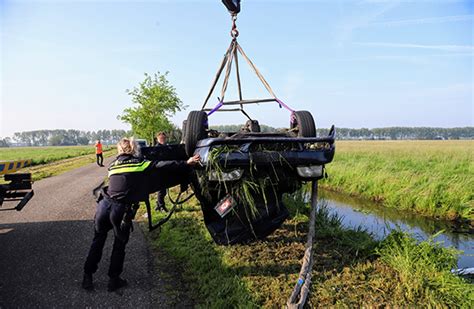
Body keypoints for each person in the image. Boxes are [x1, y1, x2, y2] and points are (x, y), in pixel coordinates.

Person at [82, 137, 200, 292]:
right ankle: (113, 280)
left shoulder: (112, 166)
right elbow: (163, 165)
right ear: (133, 149)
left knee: (98, 241)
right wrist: (186, 162)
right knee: (119, 245)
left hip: (103, 208)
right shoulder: (139, 163)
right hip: (120, 211)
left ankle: (87, 277)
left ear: (119, 150)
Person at [154, 132, 168, 212]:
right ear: (158, 139)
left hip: (165, 171)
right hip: (159, 171)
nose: (163, 140)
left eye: (164, 138)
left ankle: (158, 204)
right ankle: (161, 206)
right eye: (161, 138)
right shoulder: (156, 148)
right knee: (161, 190)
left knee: (163, 190)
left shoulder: (165, 147)